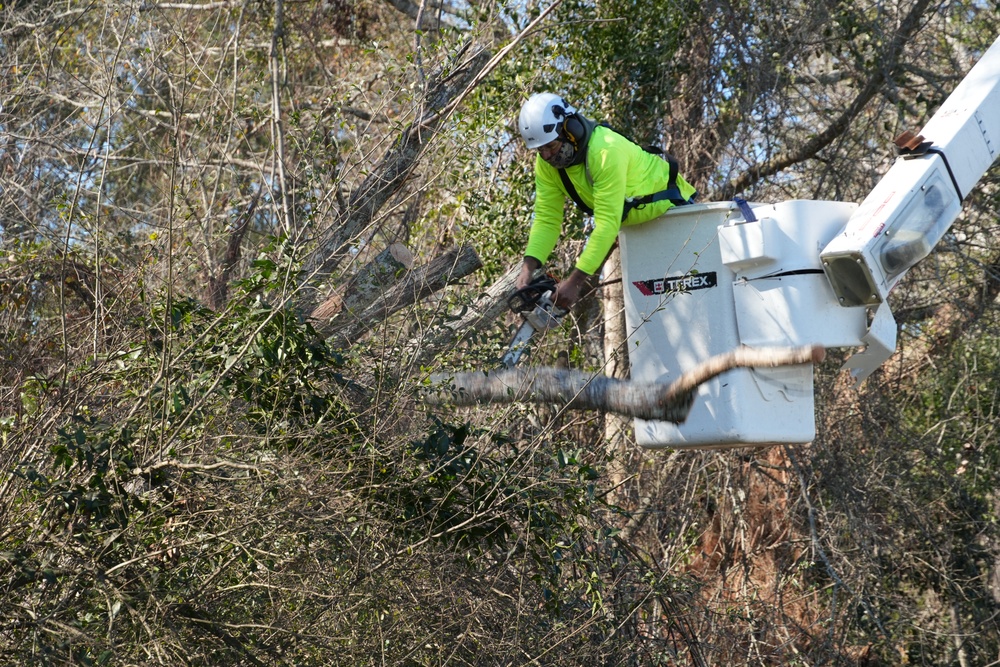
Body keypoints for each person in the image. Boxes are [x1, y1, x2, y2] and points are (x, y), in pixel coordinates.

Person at [515, 92, 698, 309]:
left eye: (551, 146)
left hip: (676, 215)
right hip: (637, 230)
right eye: (539, 149)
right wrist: (527, 268)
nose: (545, 156)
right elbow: (547, 218)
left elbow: (606, 224)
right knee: (653, 309)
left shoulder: (605, 151)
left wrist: (575, 282)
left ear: (570, 130)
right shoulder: (546, 164)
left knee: (690, 301)